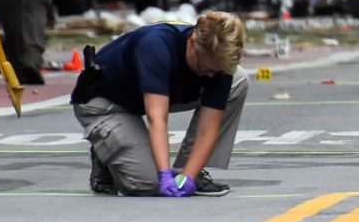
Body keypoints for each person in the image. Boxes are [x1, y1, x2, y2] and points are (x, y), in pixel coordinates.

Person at [70, 11, 248, 197]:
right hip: (104, 102)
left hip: (145, 95)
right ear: (191, 44)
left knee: (238, 79)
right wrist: (163, 174)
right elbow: (157, 118)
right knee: (148, 183)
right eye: (206, 69)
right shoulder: (156, 46)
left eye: (216, 71)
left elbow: (209, 127)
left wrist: (189, 175)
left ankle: (184, 170)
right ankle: (104, 158)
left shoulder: (219, 60)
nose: (212, 76)